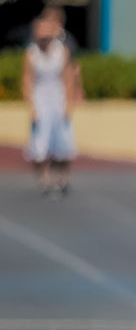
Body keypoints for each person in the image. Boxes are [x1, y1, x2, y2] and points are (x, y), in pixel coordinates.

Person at [24, 10, 81, 197]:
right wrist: (31, 106)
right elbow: (27, 80)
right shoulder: (31, 54)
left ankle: (63, 178)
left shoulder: (61, 51)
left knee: (63, 140)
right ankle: (45, 178)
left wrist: (69, 102)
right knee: (40, 142)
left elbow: (68, 76)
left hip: (58, 97)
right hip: (41, 98)